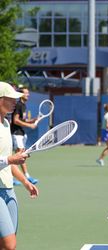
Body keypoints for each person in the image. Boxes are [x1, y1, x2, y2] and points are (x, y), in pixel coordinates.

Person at [0, 81, 39, 250]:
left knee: (7, 244)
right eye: (11, 98)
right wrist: (10, 159)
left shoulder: (6, 124)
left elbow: (8, 162)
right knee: (9, 245)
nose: (15, 101)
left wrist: (25, 182)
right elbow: (8, 160)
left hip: (9, 190)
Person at [10, 87, 38, 184]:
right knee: (18, 155)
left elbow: (22, 120)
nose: (28, 95)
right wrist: (30, 125)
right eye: (26, 93)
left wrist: (32, 120)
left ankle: (24, 176)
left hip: (21, 133)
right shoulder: (18, 105)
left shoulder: (23, 105)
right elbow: (16, 120)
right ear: (21, 94)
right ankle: (20, 177)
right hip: (16, 133)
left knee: (20, 155)